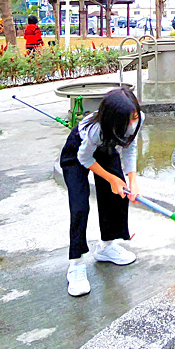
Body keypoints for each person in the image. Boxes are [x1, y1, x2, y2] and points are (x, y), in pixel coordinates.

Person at [61, 88, 143, 297]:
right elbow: (85, 159)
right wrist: (110, 178)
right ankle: (76, 264)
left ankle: (106, 247)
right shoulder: (94, 130)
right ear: (113, 119)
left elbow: (129, 148)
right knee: (80, 206)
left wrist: (131, 181)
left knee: (119, 194)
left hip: (106, 149)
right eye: (129, 118)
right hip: (78, 153)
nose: (134, 121)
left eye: (135, 115)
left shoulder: (137, 118)